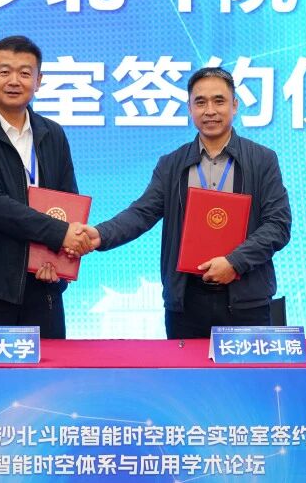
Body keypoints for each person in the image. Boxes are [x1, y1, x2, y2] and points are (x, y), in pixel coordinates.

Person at [79, 66, 291, 339]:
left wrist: (235, 262)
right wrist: (101, 234)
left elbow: (277, 225)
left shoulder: (262, 160)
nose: (210, 111)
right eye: (200, 102)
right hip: (186, 301)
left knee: (245, 369)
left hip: (246, 299)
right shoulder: (171, 164)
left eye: (219, 101)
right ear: (189, 108)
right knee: (185, 369)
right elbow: (141, 213)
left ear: (235, 105)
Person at [0, 35, 93, 338]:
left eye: (25, 73)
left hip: (42, 284)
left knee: (50, 369)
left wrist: (59, 263)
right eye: (5, 71)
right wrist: (59, 233)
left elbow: (69, 201)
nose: (14, 81)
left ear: (39, 81)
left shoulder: (52, 134)